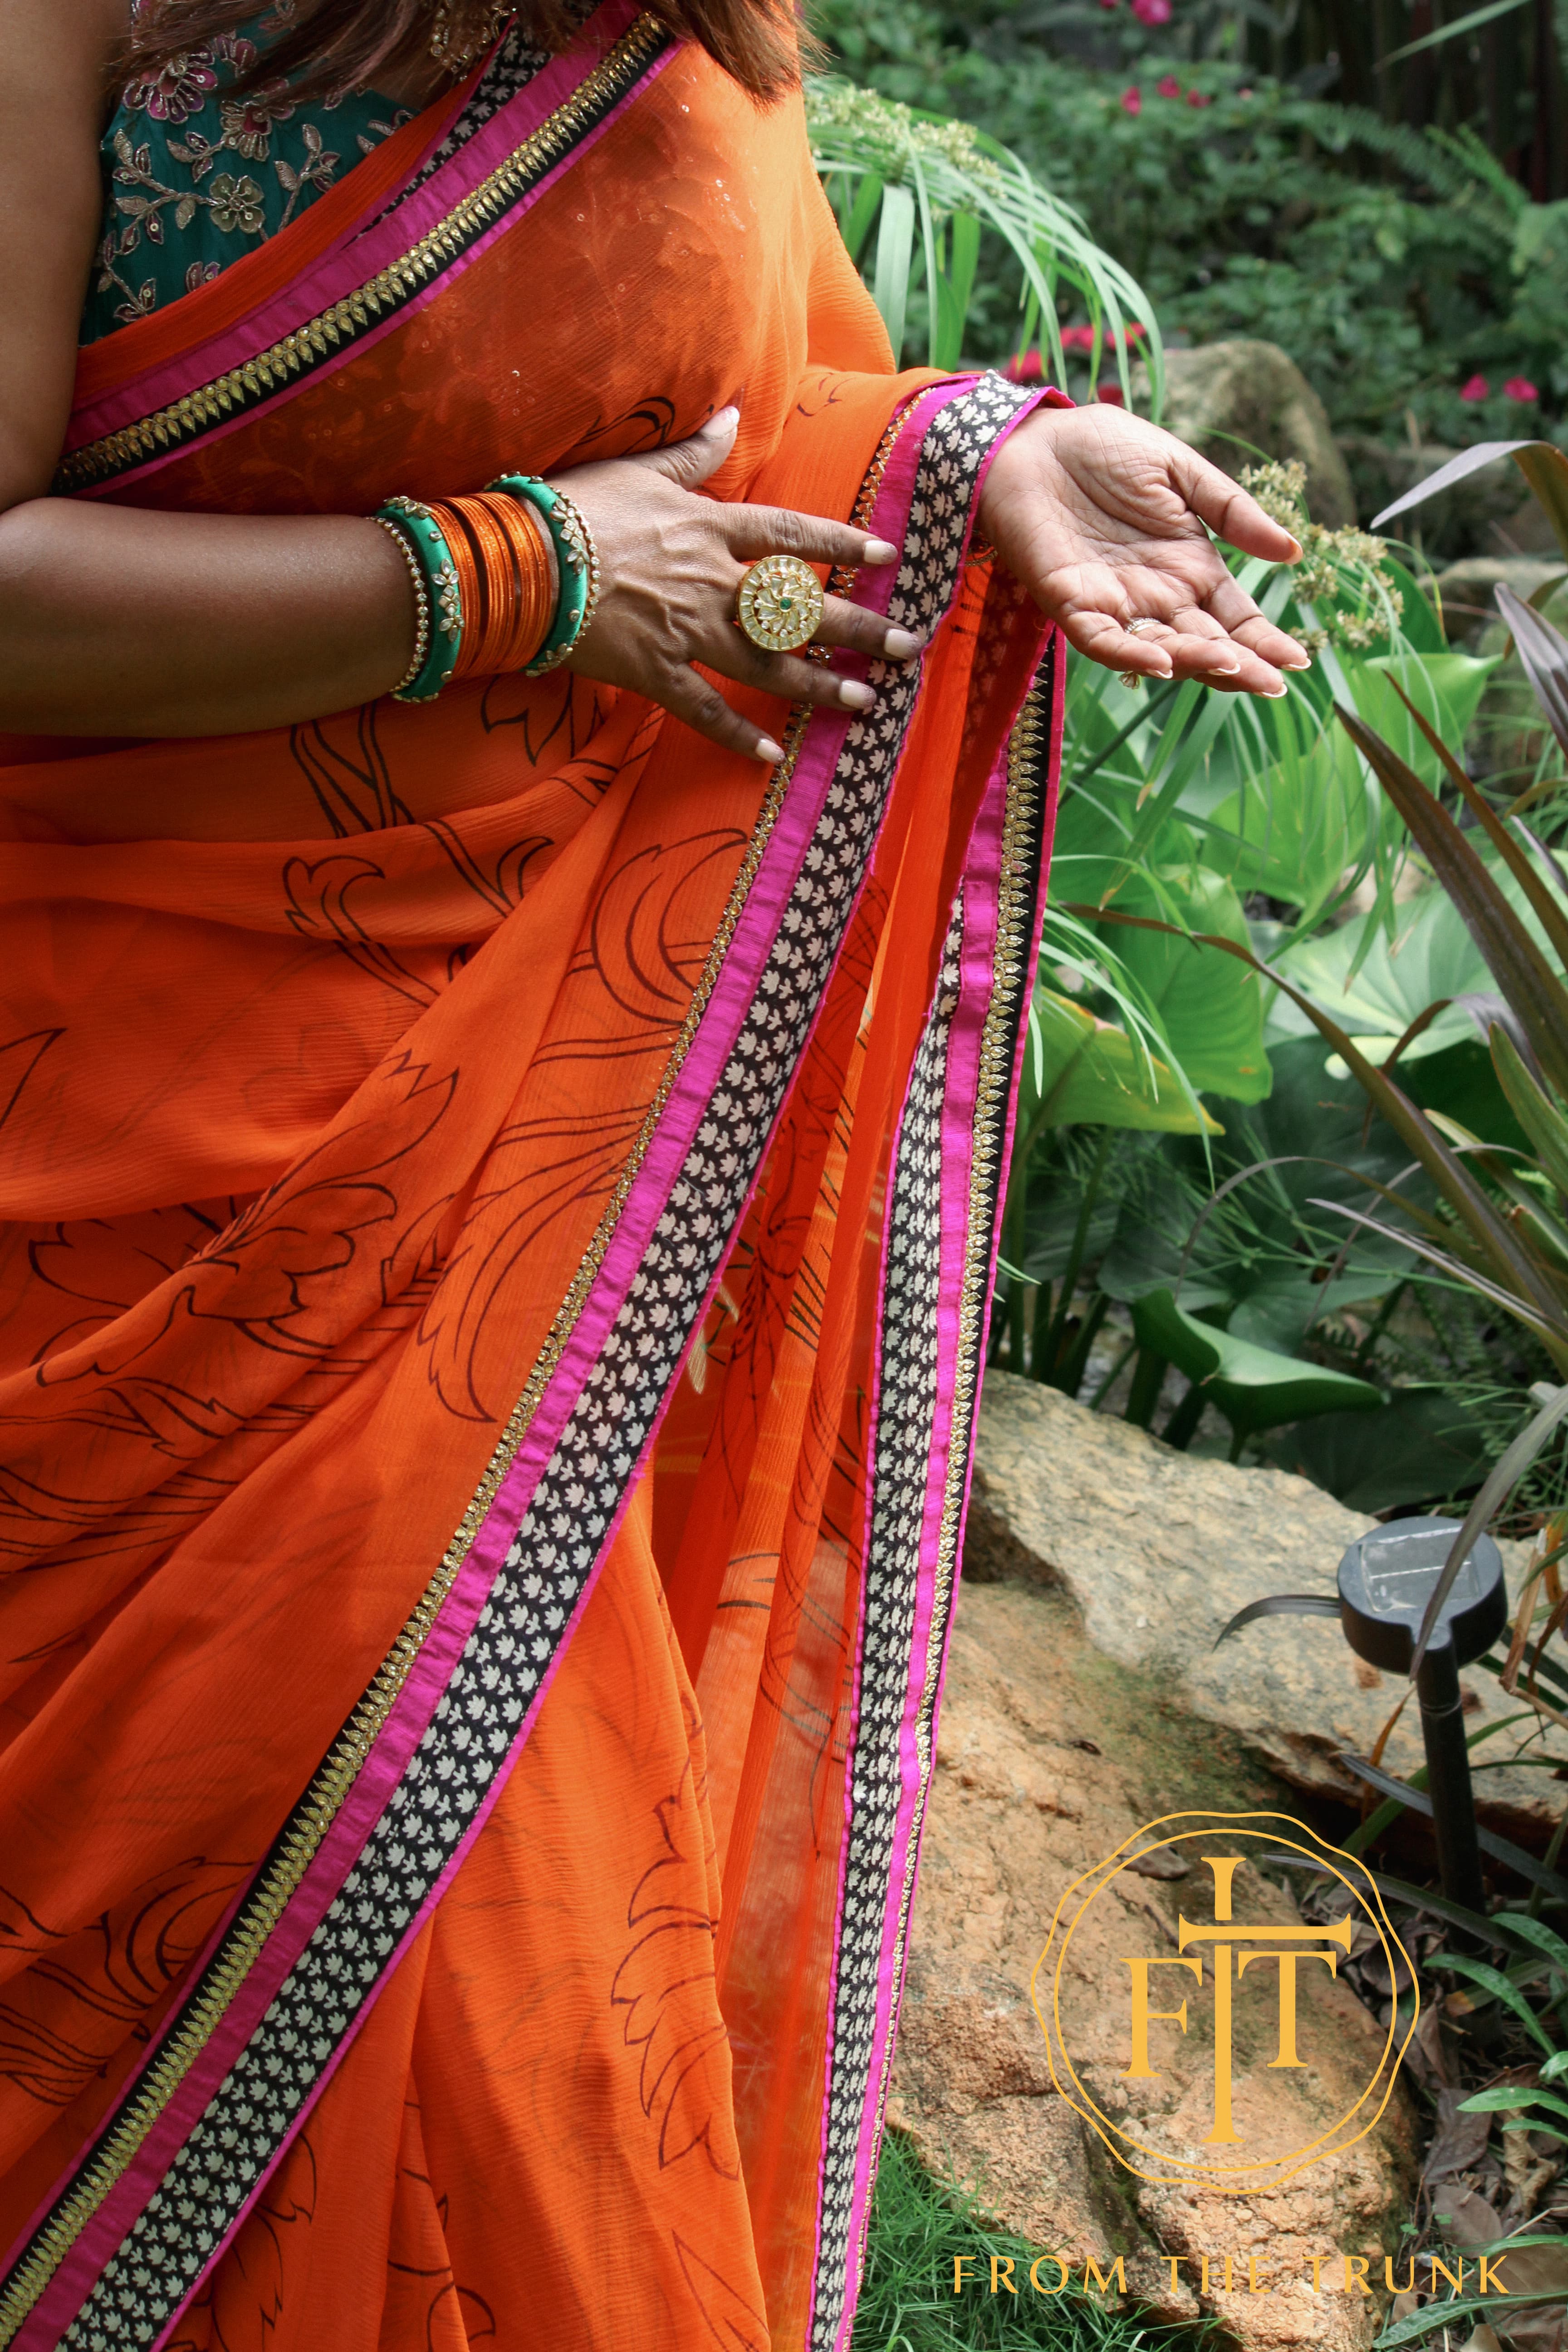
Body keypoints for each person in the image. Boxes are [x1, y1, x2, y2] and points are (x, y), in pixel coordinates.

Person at [0, 4, 1307, 2347]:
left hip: (507, 1187)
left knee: (508, 1996)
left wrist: (980, 459)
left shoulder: (675, 19)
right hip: (98, 1159)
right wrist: (514, 578)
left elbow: (767, 438)